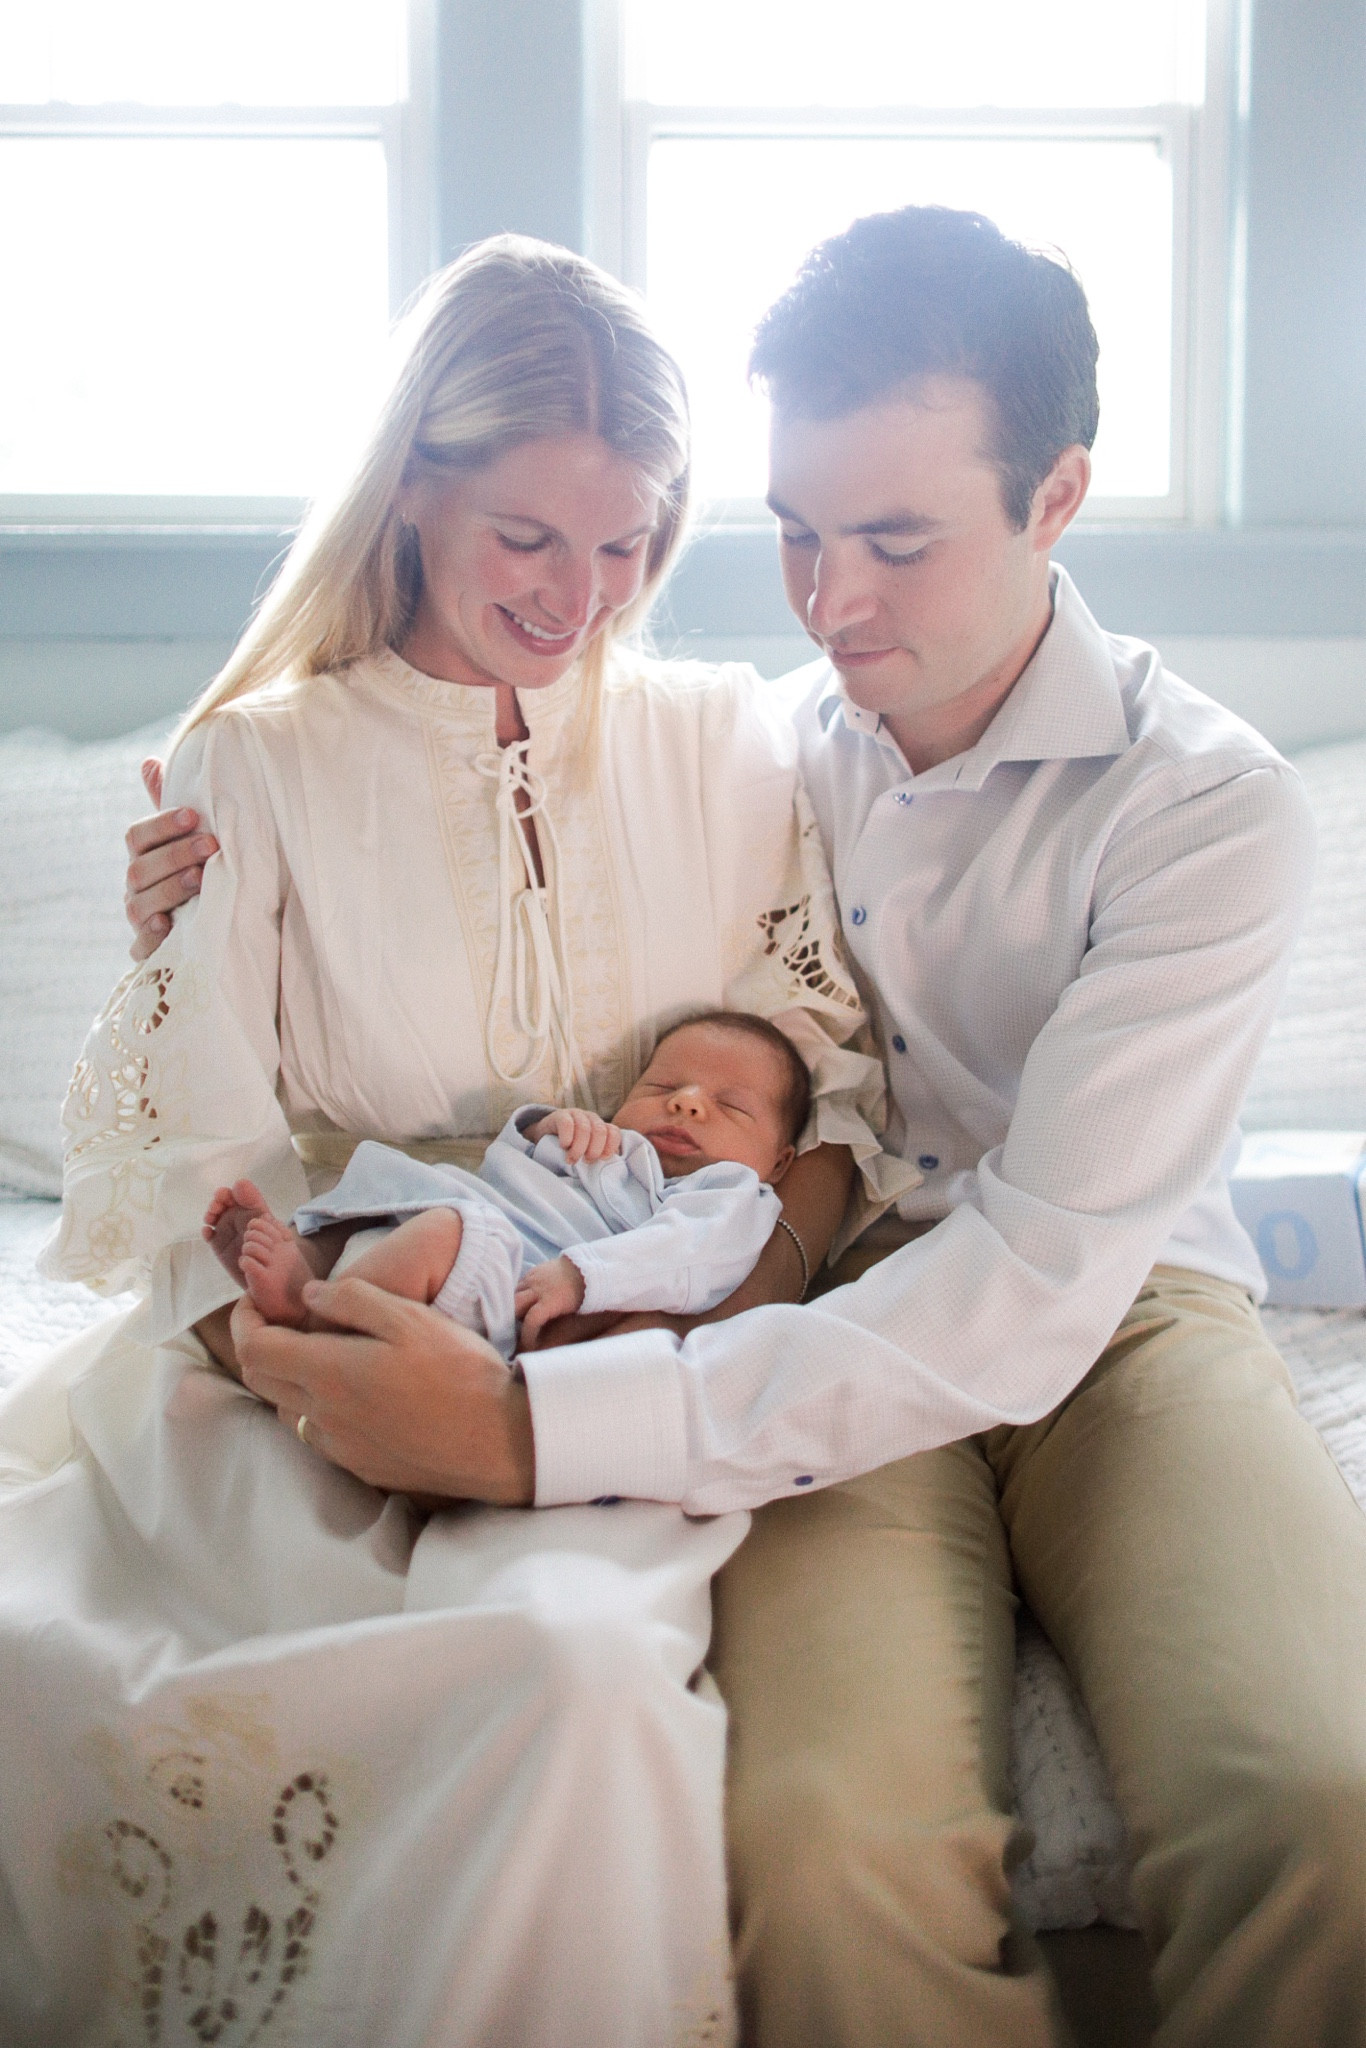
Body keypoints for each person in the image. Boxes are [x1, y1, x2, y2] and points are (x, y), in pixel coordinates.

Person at [135, 207, 1365, 2048]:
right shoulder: (770, 745)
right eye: (794, 534)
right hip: (802, 1322)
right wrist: (177, 937)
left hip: (1115, 1319)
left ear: (1057, 498)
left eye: (895, 539)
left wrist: (541, 1422)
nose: (831, 600)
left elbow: (1035, 1273)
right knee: (817, 1843)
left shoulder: (1205, 805)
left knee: (1320, 1804)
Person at [0, 234, 907, 2048]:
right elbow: (194, 1168)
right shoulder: (250, 766)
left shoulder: (732, 745)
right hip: (293, 1367)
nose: (584, 593)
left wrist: (720, 1305)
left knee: (573, 1664)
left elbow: (836, 1087)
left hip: (619, 1368)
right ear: (415, 489)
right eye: (528, 537)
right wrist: (328, 1354)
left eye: (629, 539)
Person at [203, 1010, 808, 1354]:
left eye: (731, 1106)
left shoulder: (729, 1194)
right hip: (439, 1226)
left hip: (505, 1283)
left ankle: (314, 1323)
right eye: (661, 1088)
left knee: (448, 1227)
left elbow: (688, 1252)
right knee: (397, 1179)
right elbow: (504, 1168)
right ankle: (305, 1257)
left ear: (778, 1161)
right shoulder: (607, 1145)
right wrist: (546, 1126)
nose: (687, 1105)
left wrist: (580, 1277)